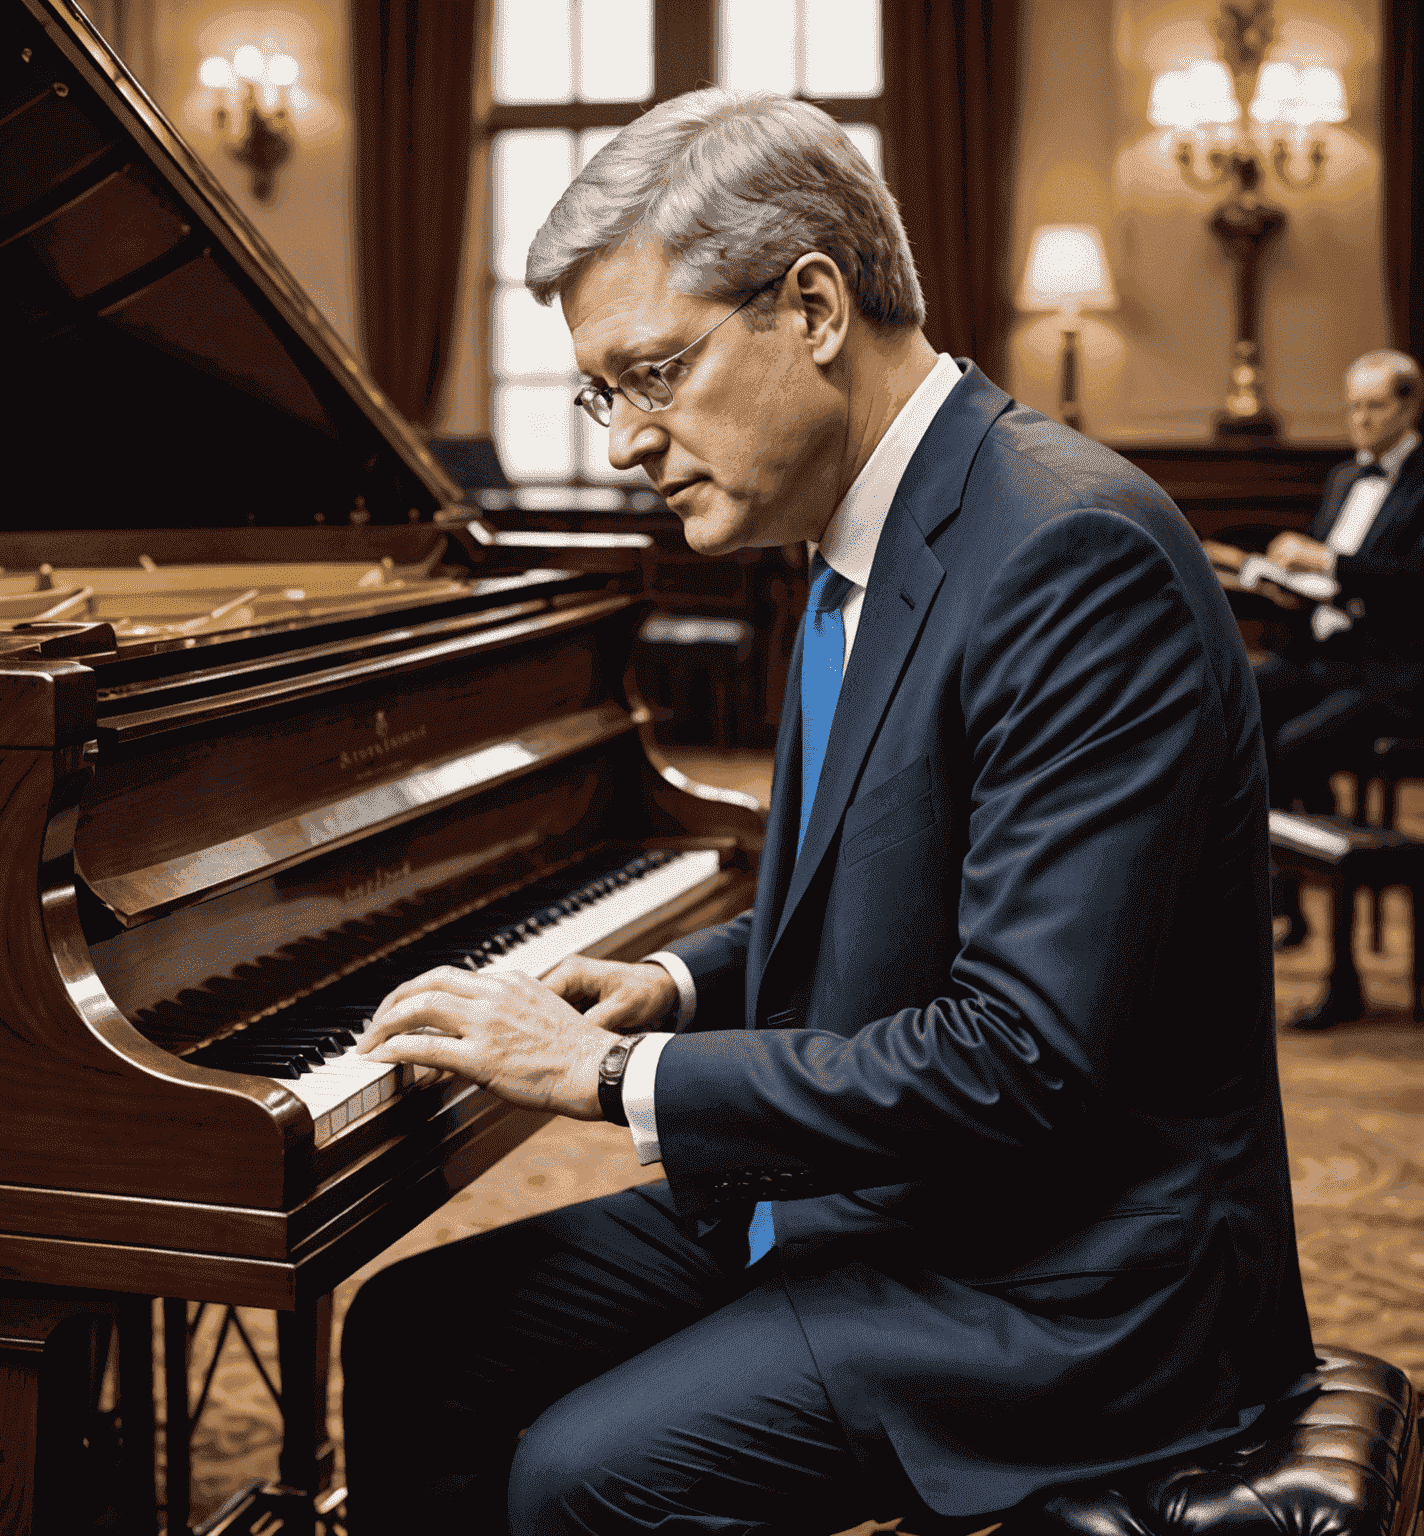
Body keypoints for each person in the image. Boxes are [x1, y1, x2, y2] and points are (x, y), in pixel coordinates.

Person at [341, 89, 1313, 1536]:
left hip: (1068, 1281)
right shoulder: (860, 518)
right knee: (418, 1332)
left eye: (651, 373)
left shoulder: (1071, 553)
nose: (623, 442)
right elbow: (891, 907)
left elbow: (1020, 1062)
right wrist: (673, 984)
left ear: (811, 305)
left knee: (583, 1475)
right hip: (903, 1200)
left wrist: (610, 1082)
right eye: (600, 393)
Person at [1250, 350, 1424, 1026]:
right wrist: (1279, 576)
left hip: (1393, 671)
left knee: (1293, 748)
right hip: (1325, 655)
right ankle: (1285, 892)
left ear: (1408, 408)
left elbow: (1412, 586)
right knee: (1240, 705)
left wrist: (1331, 562)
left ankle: (1338, 967)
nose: (1358, 419)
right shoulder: (1344, 477)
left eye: (1373, 406)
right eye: (1351, 405)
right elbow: (1326, 582)